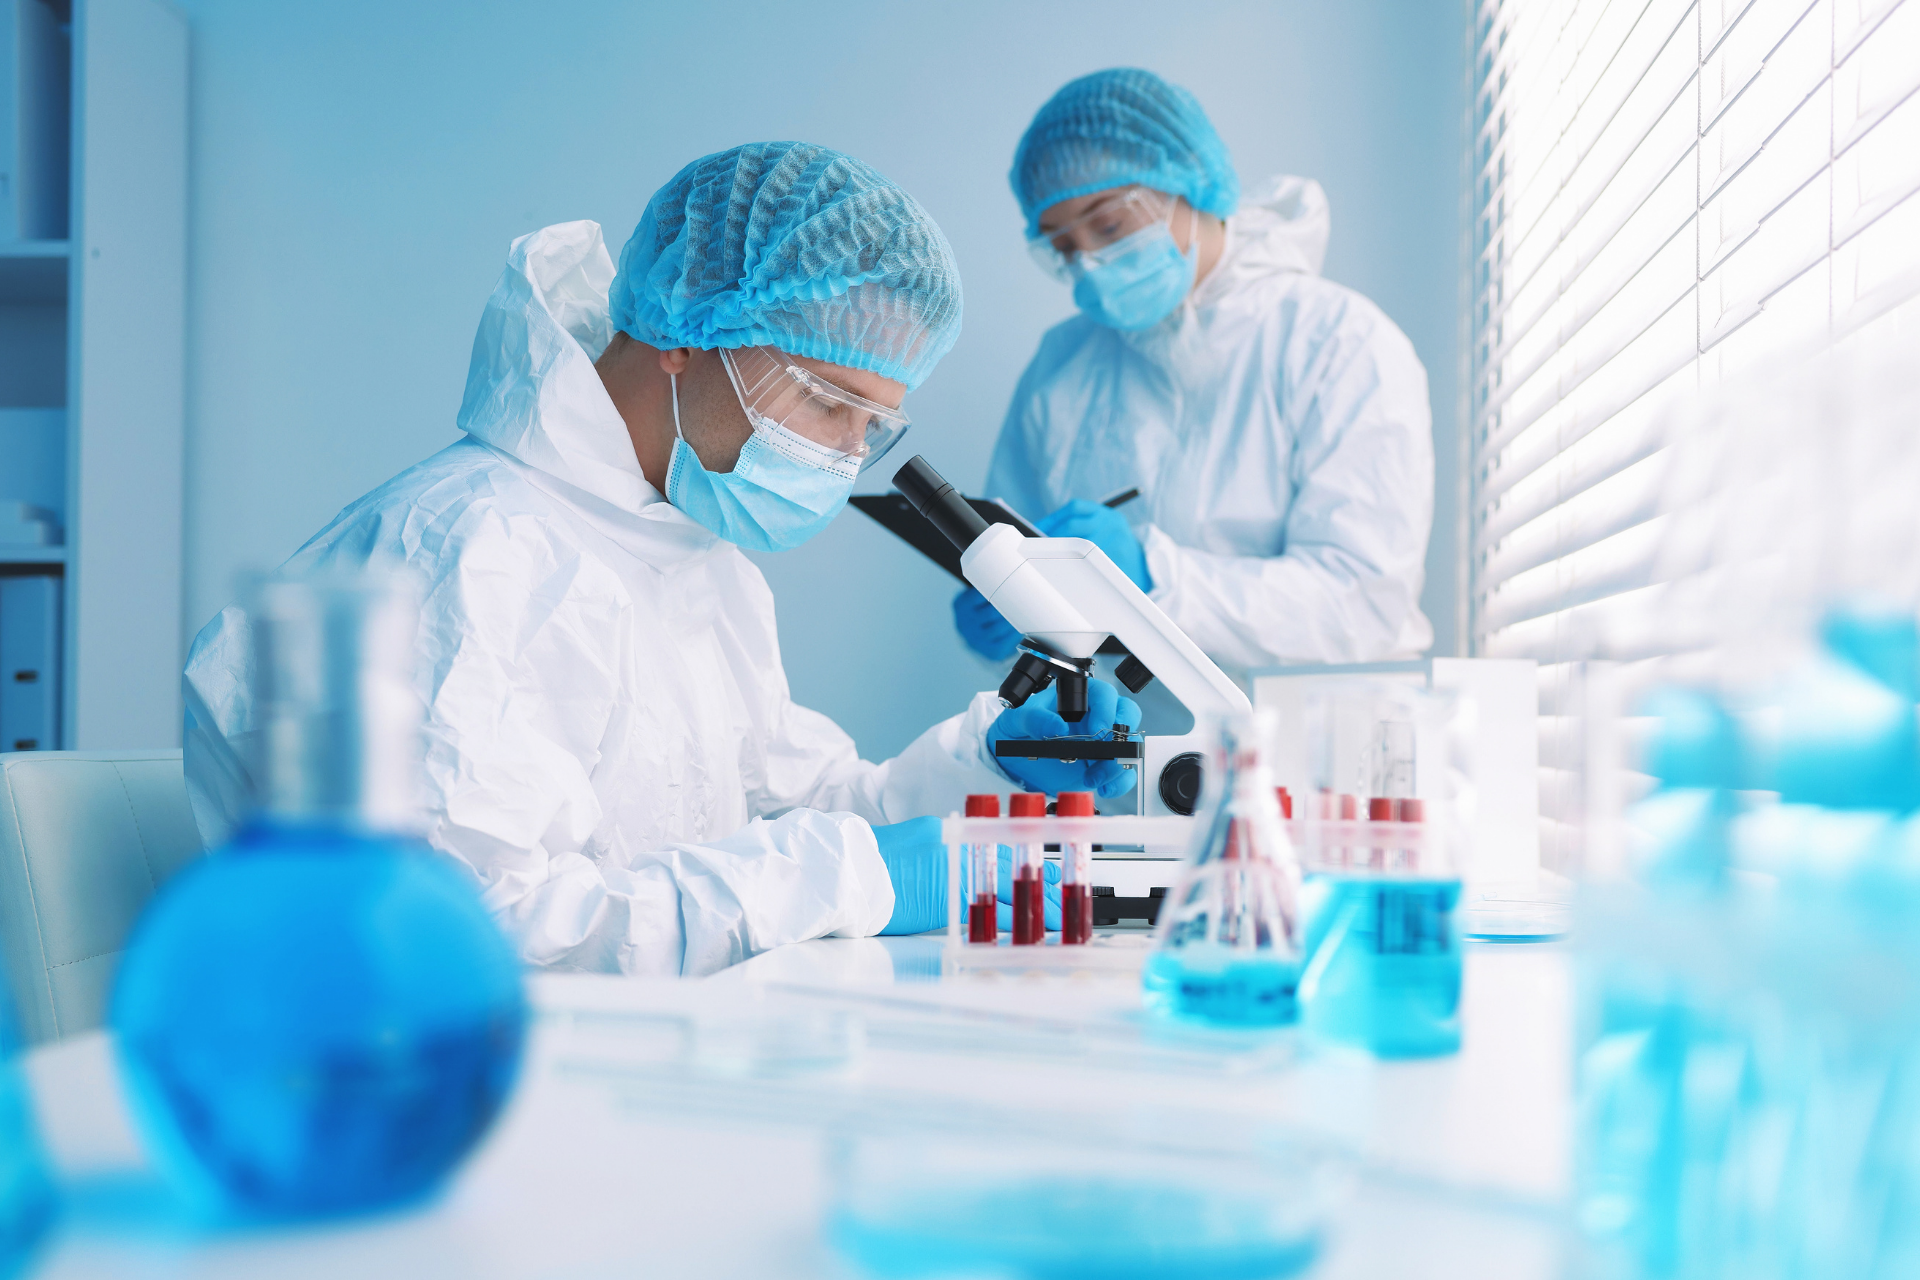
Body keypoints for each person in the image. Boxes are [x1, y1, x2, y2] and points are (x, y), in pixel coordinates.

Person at [183, 142, 1138, 976]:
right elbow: (478, 937)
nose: (847, 455)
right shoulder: (461, 552)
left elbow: (802, 802)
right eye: (825, 399)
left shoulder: (694, 556)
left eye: (874, 425)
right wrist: (852, 878)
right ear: (684, 333)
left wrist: (992, 757)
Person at [956, 68, 1435, 696]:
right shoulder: (1063, 365)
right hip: (1126, 761)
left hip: (1313, 751)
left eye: (1108, 225)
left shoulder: (1339, 342)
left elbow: (1363, 603)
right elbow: (1020, 551)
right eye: (1066, 247)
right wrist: (1013, 613)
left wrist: (1154, 576)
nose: (1092, 264)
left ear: (1189, 184)